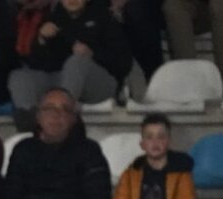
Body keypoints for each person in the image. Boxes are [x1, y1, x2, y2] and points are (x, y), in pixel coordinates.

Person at [8, 0, 131, 132]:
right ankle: (30, 125)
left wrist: (92, 54)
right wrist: (41, 40)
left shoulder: (105, 17)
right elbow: (38, 64)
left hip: (100, 83)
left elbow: (123, 64)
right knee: (19, 76)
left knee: (77, 61)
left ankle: (62, 116)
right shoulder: (53, 18)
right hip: (62, 79)